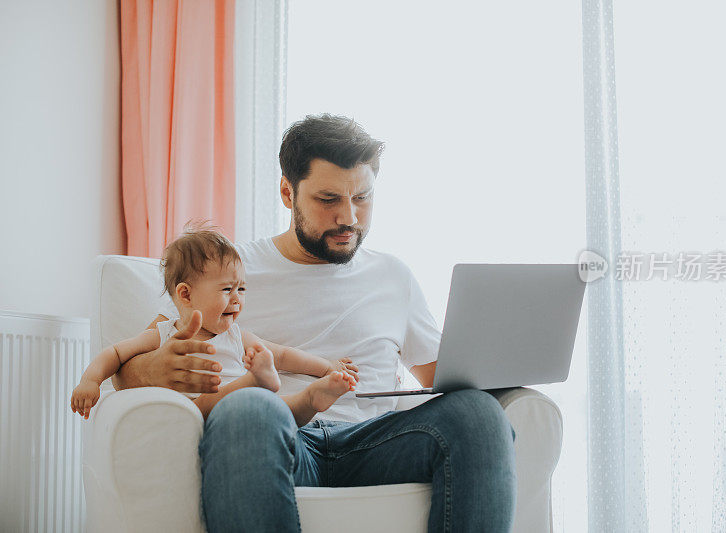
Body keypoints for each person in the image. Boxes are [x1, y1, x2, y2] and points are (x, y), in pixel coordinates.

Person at [112, 114, 517, 532]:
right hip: (279, 435)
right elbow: (136, 358)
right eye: (328, 200)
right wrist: (149, 369)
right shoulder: (227, 271)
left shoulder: (394, 275)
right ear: (288, 193)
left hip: (375, 442)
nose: (349, 218)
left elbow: (445, 376)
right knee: (248, 407)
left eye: (362, 198)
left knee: (479, 415)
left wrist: (509, 362)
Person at [72, 226, 359, 422]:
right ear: (186, 294)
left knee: (280, 407)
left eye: (241, 289)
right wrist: (90, 380)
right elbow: (115, 353)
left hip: (249, 409)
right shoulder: (165, 334)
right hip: (204, 413)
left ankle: (310, 398)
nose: (237, 300)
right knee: (200, 406)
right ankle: (259, 383)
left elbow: (283, 355)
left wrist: (326, 367)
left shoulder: (236, 336)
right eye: (226, 290)